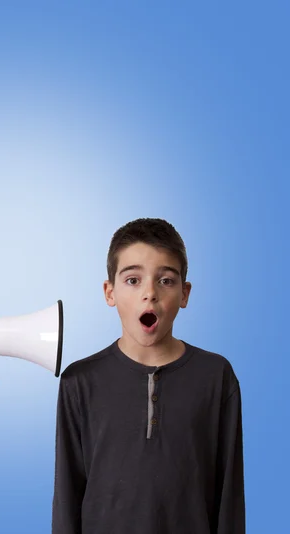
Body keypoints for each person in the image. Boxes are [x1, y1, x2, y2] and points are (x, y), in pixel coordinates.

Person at [52, 218, 245, 534]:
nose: (149, 294)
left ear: (184, 294)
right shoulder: (79, 381)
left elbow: (230, 497)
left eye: (166, 281)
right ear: (109, 291)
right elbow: (66, 498)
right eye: (132, 280)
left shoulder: (217, 376)